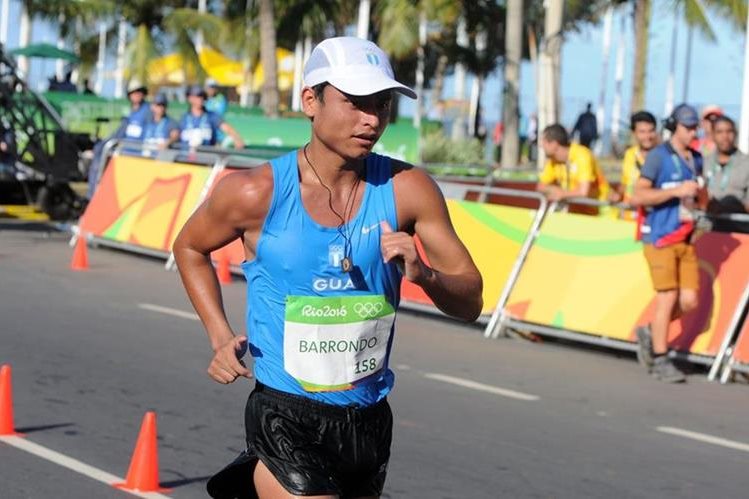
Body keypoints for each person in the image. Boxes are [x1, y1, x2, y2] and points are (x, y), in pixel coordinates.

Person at [172, 36, 483, 499]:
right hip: (286, 414)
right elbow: (190, 247)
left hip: (370, 418)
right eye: (355, 102)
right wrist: (219, 336)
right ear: (310, 100)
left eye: (381, 104)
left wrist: (426, 276)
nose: (372, 119)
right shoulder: (255, 192)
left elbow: (471, 301)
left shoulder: (408, 189)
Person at [630, 103, 704, 383]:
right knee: (667, 296)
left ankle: (651, 332)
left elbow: (695, 195)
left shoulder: (696, 158)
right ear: (674, 126)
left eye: (695, 126)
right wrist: (676, 191)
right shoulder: (658, 157)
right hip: (660, 237)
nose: (693, 131)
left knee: (689, 300)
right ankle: (660, 359)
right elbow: (639, 196)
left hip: (686, 236)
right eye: (688, 127)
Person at [86, 80, 152, 198]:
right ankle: (92, 196)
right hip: (125, 151)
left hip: (136, 154)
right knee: (99, 150)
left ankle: (94, 196)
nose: (136, 95)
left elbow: (150, 135)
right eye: (133, 92)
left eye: (139, 92)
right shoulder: (131, 113)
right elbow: (120, 134)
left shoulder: (148, 111)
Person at [537, 124, 610, 203]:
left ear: (554, 144)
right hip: (576, 210)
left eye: (544, 141)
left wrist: (561, 194)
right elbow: (540, 187)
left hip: (599, 209)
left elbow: (583, 192)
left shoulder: (582, 155)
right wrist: (554, 190)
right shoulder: (553, 161)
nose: (541, 145)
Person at [704, 115, 749, 232]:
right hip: (708, 229)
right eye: (719, 132)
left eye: (729, 131)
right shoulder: (704, 162)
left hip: (738, 230)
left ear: (735, 133)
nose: (725, 136)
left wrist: (728, 206)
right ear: (712, 135)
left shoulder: (746, 163)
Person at [610, 111, 659, 210]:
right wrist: (618, 194)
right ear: (634, 133)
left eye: (651, 131)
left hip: (651, 215)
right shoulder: (630, 154)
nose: (647, 136)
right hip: (629, 214)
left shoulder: (663, 156)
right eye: (642, 132)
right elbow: (626, 183)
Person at [177, 85, 244, 150]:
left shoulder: (211, 116)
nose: (200, 99)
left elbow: (228, 128)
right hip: (185, 157)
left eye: (202, 96)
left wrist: (237, 139)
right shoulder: (184, 118)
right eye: (197, 96)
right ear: (190, 98)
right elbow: (175, 135)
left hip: (207, 157)